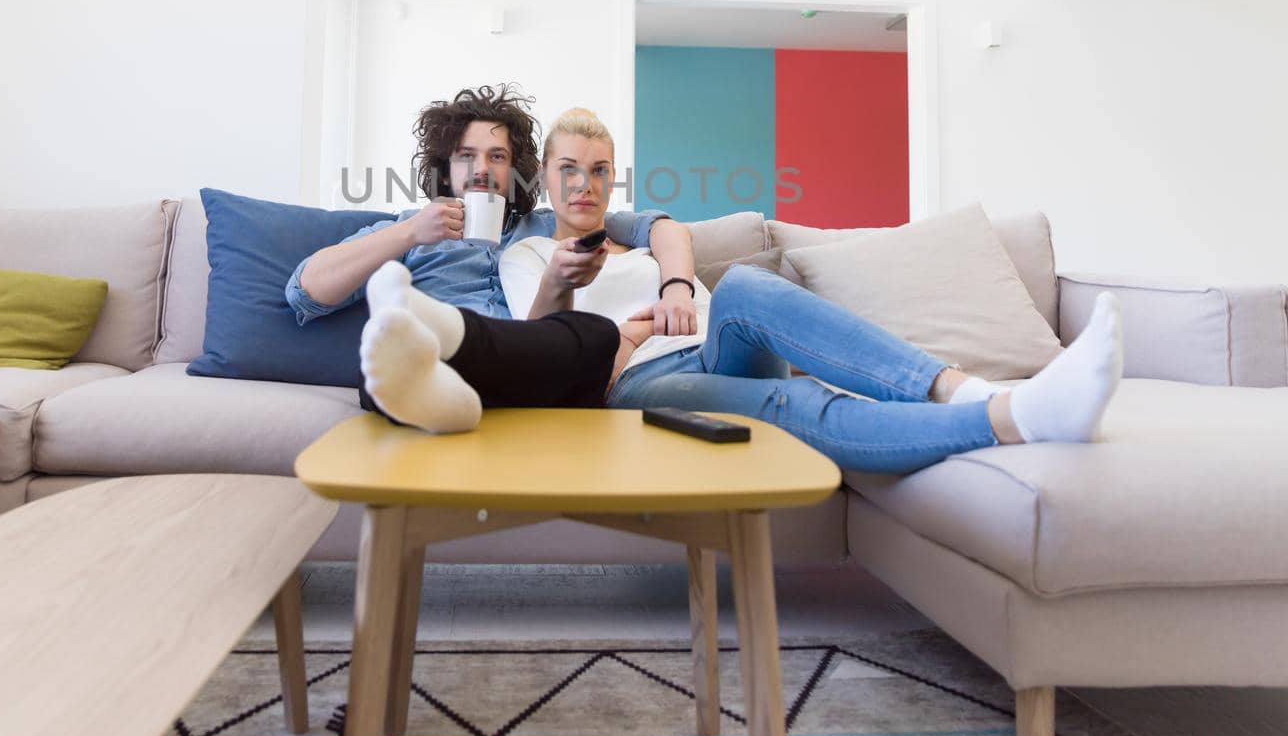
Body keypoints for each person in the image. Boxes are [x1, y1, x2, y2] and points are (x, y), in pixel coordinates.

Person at [356, 106, 1124, 475]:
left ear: (610, 176)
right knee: (794, 410)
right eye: (567, 171)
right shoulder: (522, 249)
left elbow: (667, 231)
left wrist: (680, 283)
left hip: (719, 343)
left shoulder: (637, 229)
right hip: (633, 381)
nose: (583, 184)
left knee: (751, 285)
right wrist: (576, 296)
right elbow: (534, 343)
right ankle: (1012, 417)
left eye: (597, 170)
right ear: (542, 177)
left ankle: (958, 387)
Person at [285, 84, 686, 416]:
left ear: (517, 170)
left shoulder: (555, 223)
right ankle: (444, 375)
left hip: (529, 368)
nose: (482, 169)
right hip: (429, 363)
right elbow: (304, 292)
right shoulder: (406, 229)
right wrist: (409, 234)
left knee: (596, 335)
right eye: (466, 156)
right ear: (446, 168)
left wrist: (677, 289)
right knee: (393, 359)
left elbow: (658, 227)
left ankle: (447, 373)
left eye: (497, 156)